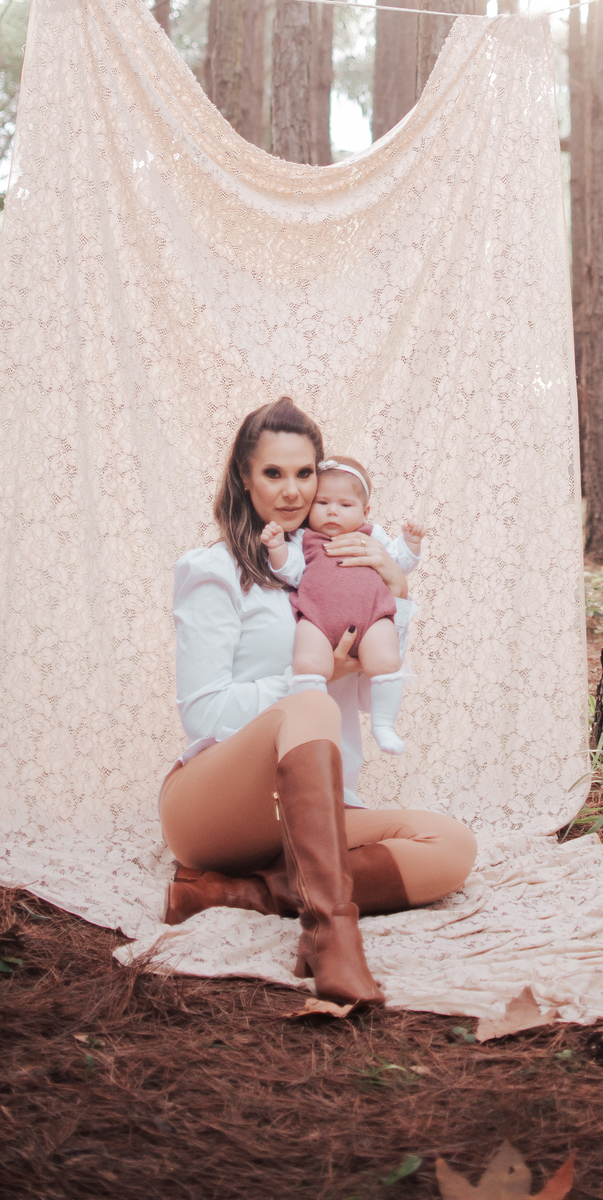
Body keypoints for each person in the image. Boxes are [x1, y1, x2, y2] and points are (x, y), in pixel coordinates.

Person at [159, 396, 476, 1008]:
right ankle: (331, 939)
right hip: (216, 808)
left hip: (307, 814)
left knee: (451, 848)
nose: (292, 491)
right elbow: (203, 712)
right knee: (310, 704)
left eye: (304, 472)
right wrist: (307, 682)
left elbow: (374, 684)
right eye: (273, 473)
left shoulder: (340, 558)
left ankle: (230, 895)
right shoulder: (213, 571)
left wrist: (396, 590)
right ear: (244, 477)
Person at [261, 454, 422, 755]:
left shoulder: (372, 536)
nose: (332, 511)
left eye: (345, 505)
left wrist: (410, 544)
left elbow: (398, 564)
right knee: (307, 665)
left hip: (372, 616)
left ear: (365, 511)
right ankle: (311, 728)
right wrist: (277, 547)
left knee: (386, 661)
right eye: (322, 503)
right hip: (316, 618)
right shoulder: (305, 538)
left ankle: (383, 725)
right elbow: (289, 570)